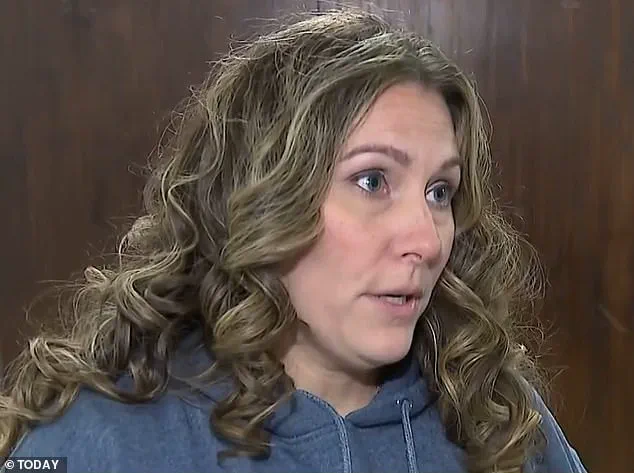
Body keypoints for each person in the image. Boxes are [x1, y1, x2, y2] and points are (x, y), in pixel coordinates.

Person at [0, 8, 586, 473]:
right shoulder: (103, 439)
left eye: (440, 192)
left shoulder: (496, 418)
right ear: (262, 198)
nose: (427, 241)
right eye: (372, 180)